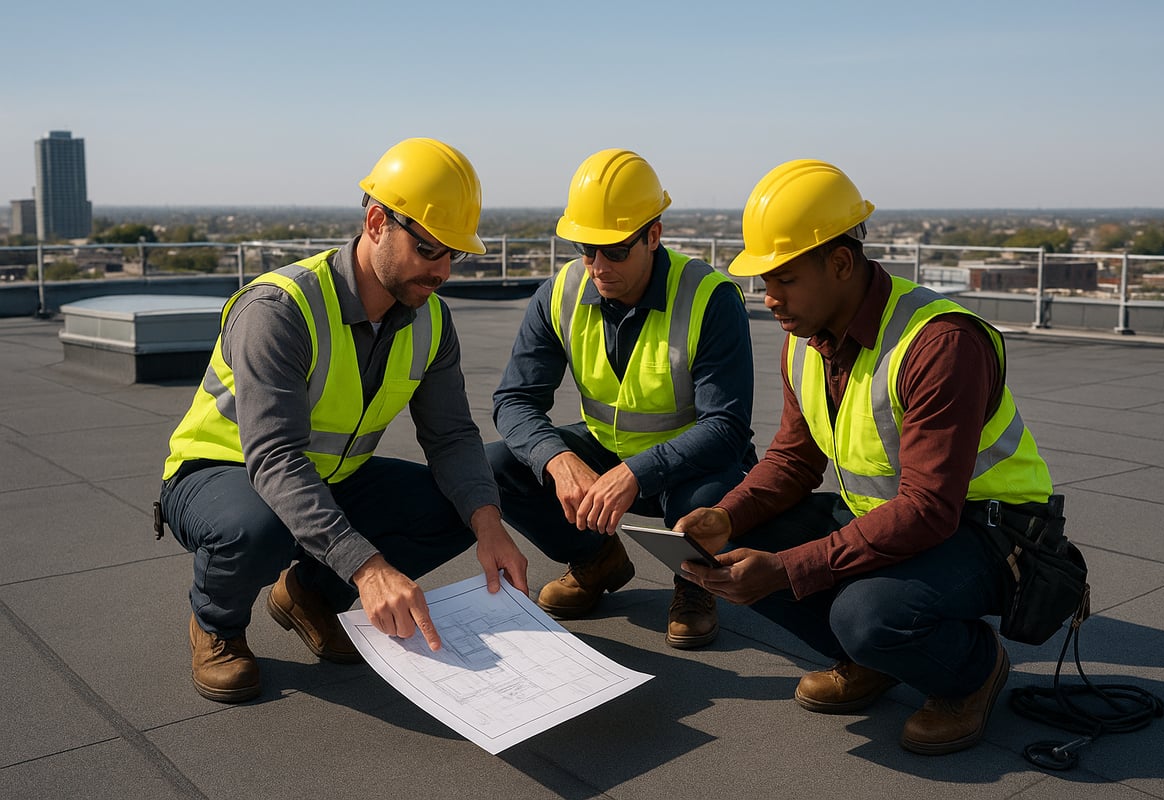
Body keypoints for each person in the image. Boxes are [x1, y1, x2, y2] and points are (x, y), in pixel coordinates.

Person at [677, 159, 1055, 755]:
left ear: (841, 263)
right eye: (763, 281)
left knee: (868, 615)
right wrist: (725, 517)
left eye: (783, 278)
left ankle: (972, 672)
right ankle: (873, 661)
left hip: (990, 531)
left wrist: (788, 569)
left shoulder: (940, 344)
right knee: (743, 541)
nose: (768, 298)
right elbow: (793, 462)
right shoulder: (803, 342)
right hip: (891, 517)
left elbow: (930, 509)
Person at [159, 138, 529, 703]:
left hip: (331, 472)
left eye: (456, 254)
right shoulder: (280, 310)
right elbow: (276, 458)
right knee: (257, 528)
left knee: (466, 502)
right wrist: (369, 568)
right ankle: (217, 625)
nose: (444, 271)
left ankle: (307, 595)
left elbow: (452, 435)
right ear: (377, 221)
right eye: (431, 249)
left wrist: (488, 524)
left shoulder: (430, 321)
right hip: (222, 472)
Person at [487, 148, 756, 649]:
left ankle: (696, 584)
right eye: (585, 249)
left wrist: (637, 473)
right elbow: (515, 399)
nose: (596, 265)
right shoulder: (560, 293)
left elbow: (726, 428)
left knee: (705, 498)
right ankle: (596, 559)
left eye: (614, 250)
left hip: (694, 465)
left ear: (653, 235)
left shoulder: (709, 298)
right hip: (606, 452)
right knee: (498, 464)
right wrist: (560, 459)